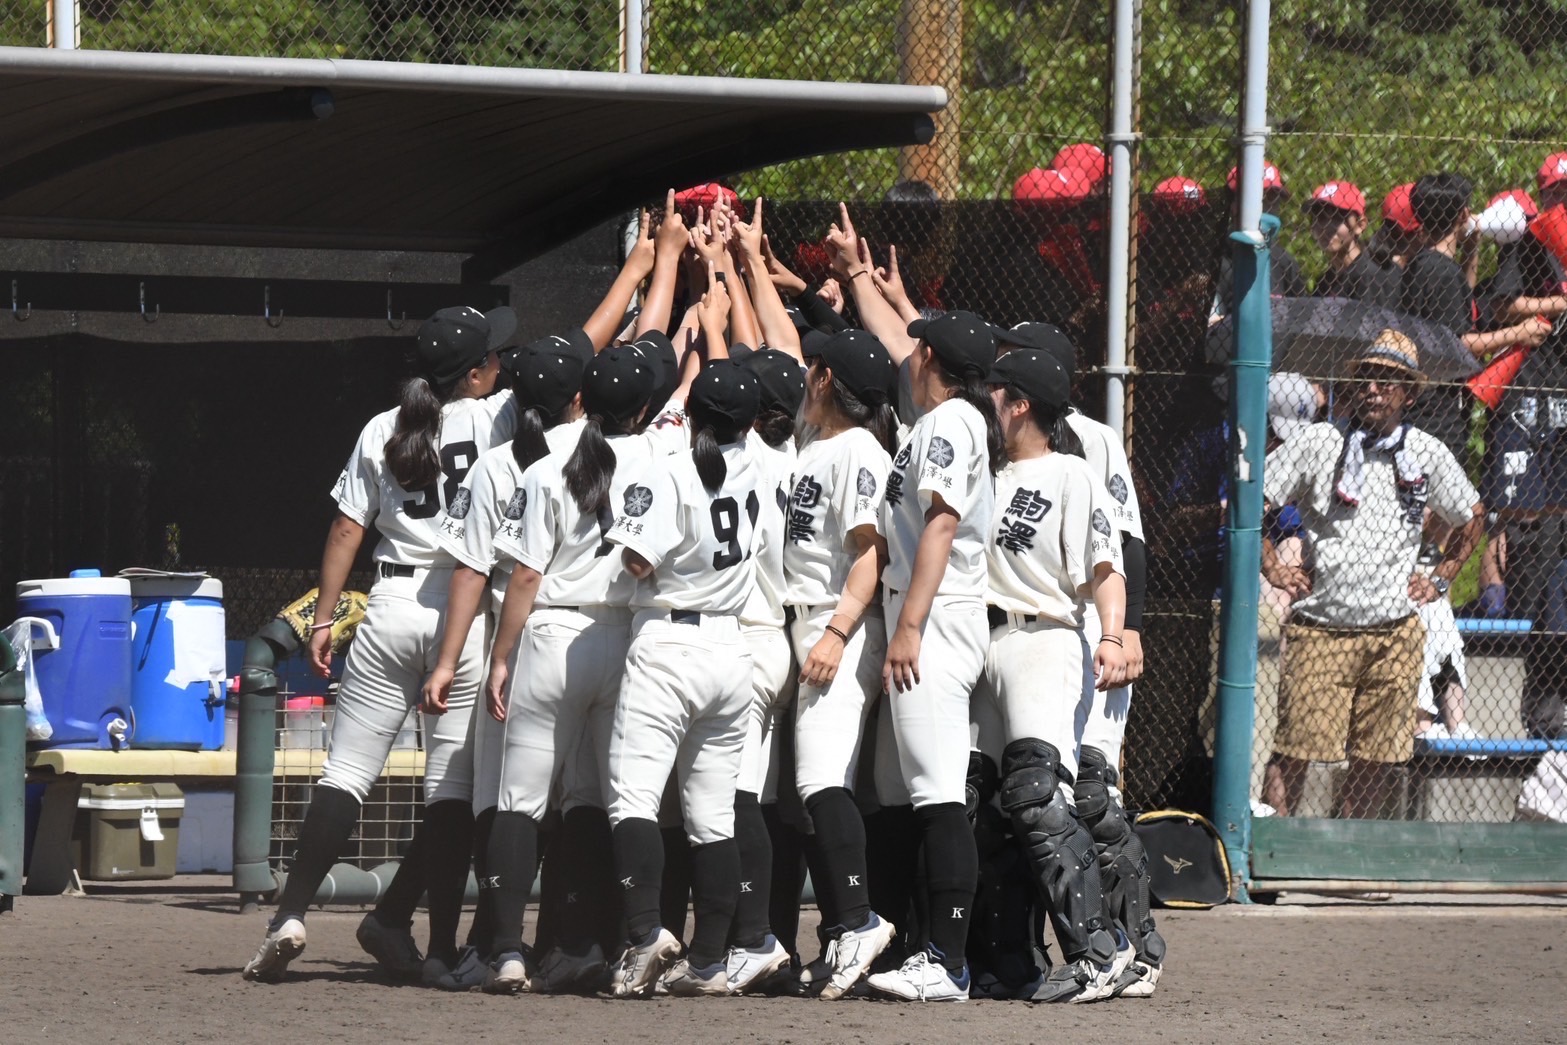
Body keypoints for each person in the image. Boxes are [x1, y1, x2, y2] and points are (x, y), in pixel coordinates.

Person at [242, 304, 518, 983]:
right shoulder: (497, 417)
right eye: (492, 357)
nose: (501, 364)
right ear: (477, 373)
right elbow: (591, 343)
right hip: (463, 609)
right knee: (450, 786)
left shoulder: (382, 426)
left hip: (390, 602)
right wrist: (648, 271)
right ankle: (441, 951)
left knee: (346, 773)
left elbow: (346, 530)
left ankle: (291, 915)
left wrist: (324, 618)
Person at [994, 320, 1163, 995]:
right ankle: (1048, 946)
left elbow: (1126, 543)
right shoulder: (997, 442)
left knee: (1091, 791)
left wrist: (1128, 630)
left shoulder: (1092, 442)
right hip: (1041, 627)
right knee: (1039, 792)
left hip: (1093, 625)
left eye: (1013, 358)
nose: (1000, 370)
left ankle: (1136, 947)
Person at [417, 338, 587, 989]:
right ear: (580, 396)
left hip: (522, 637)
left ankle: (497, 941)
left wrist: (462, 658)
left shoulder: (496, 464)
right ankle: (559, 940)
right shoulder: (611, 455)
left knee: (503, 797)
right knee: (579, 799)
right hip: (600, 636)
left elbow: (477, 567)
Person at [1261, 331, 1484, 819]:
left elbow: (1473, 517)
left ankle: (1348, 857)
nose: (1374, 389)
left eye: (1388, 381)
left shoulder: (1425, 452)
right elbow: (1253, 499)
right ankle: (1274, 849)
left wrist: (1441, 577)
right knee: (1293, 748)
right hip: (1321, 626)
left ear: (1409, 394)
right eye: (1365, 378)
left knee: (1377, 756)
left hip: (1393, 634)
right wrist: (1273, 566)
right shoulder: (1321, 441)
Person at [972, 346, 1133, 1003]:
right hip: (979, 644)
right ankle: (1007, 959)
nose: (985, 399)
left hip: (1043, 638)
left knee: (1040, 796)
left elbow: (1106, 566)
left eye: (995, 391)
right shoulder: (978, 471)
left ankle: (1099, 951)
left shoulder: (1070, 474)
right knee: (982, 805)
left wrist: (1115, 633)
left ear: (1020, 404)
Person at [604, 360, 765, 998]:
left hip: (669, 641)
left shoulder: (669, 465)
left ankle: (645, 934)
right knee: (713, 817)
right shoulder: (758, 461)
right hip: (731, 646)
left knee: (633, 800)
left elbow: (639, 561)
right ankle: (709, 962)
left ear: (692, 412)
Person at [862, 310, 1000, 1003]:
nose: (908, 356)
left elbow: (940, 524)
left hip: (934, 617)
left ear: (930, 359)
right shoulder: (948, 419)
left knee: (937, 791)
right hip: (929, 611)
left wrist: (909, 625)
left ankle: (944, 960)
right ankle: (922, 946)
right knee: (911, 790)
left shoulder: (949, 422)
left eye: (917, 347)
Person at [783, 328, 900, 999]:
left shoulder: (856, 448)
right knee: (810, 793)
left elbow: (869, 551)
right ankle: (840, 931)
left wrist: (835, 631)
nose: (805, 374)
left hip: (839, 625)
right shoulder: (815, 443)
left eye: (813, 366)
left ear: (826, 378)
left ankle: (857, 918)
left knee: (821, 779)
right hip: (810, 622)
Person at [1400, 172, 1552, 460]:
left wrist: (1471, 251)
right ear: (1464, 214)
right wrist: (1518, 333)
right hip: (1437, 411)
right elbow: (1458, 341)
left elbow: (1459, 309)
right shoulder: (1442, 273)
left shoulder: (1424, 265)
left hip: (1427, 403)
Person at [1305, 181, 1398, 307]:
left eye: (1337, 218)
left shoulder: (1367, 276)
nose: (1326, 226)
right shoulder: (1324, 281)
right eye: (1319, 217)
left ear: (1360, 225)